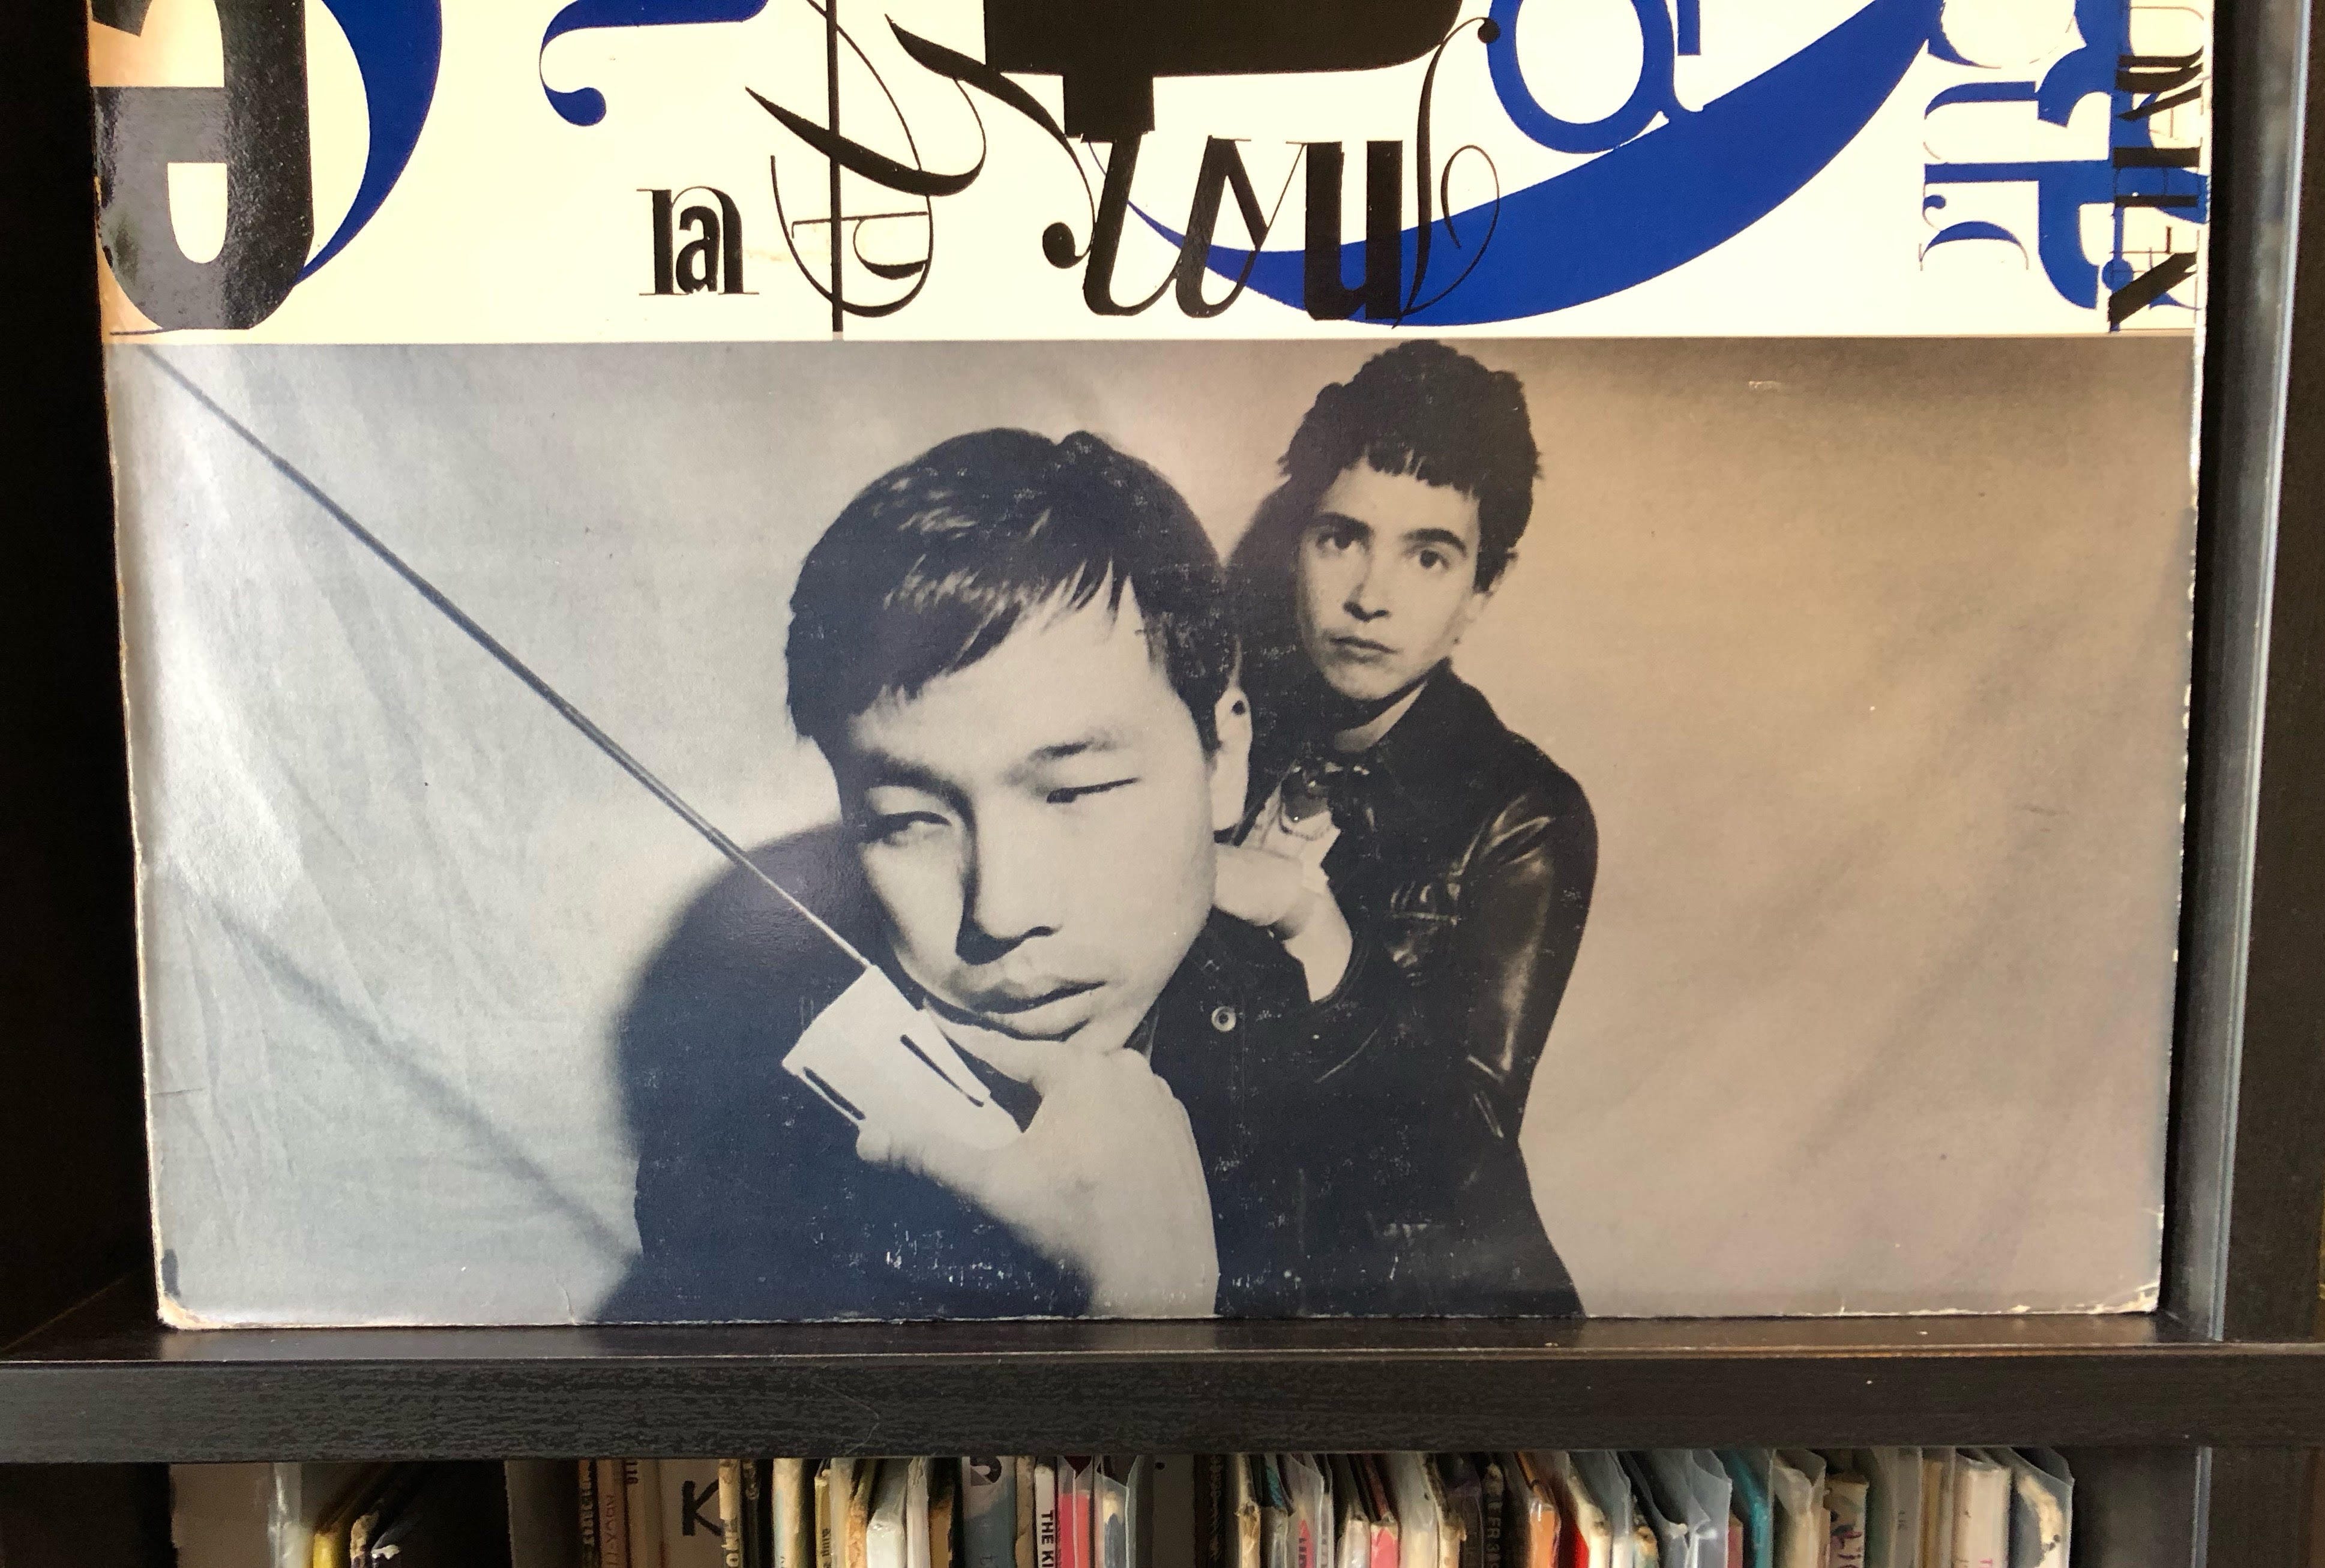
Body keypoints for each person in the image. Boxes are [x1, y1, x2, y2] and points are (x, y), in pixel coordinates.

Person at [604, 427, 1321, 1320]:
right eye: (908, 821)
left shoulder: (1314, 1028)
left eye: (1074, 791)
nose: (1003, 911)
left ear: (1224, 760)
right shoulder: (745, 1184)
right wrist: (1143, 1315)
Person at [1221, 340, 1596, 1313]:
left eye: (1427, 555)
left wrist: (1310, 924)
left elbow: (1462, 1147)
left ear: (1481, 590)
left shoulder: (1523, 810)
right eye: (1340, 538)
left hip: (1429, 1323)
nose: (1369, 595)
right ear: (1296, 546)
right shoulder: (1227, 736)